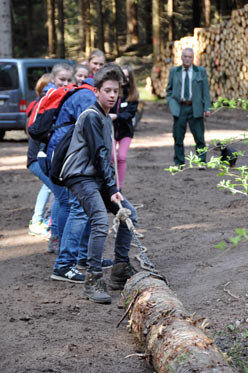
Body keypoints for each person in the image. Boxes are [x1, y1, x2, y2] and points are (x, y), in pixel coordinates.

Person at [60, 63, 137, 304]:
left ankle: (119, 270)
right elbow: (99, 155)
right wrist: (113, 188)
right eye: (108, 91)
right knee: (100, 221)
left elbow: (105, 159)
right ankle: (93, 280)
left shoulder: (105, 117)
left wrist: (113, 188)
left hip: (96, 176)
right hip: (81, 176)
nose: (113, 95)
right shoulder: (92, 116)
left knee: (129, 214)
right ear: (97, 92)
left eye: (116, 91)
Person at [166, 47, 211, 166]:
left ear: (193, 58)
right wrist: (171, 103)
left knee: (199, 136)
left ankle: (201, 161)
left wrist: (207, 108)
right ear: (181, 57)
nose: (187, 59)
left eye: (189, 57)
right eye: (185, 56)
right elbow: (168, 90)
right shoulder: (174, 71)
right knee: (178, 136)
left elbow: (205, 91)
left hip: (195, 107)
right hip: (179, 107)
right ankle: (179, 162)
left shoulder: (200, 71)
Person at [27, 73, 55, 240]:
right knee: (54, 188)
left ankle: (41, 220)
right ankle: (37, 222)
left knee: (49, 186)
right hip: (36, 159)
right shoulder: (41, 107)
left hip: (41, 158)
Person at [110, 65, 139, 191]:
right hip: (110, 131)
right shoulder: (113, 92)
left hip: (125, 131)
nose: (124, 79)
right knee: (111, 157)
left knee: (121, 157)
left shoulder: (132, 95)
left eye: (127, 77)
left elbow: (130, 114)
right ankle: (109, 185)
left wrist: (116, 116)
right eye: (122, 76)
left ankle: (119, 187)